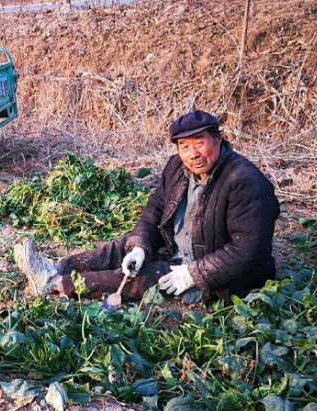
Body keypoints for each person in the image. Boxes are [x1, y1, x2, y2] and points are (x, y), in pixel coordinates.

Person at [14, 110, 280, 305]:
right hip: (175, 248)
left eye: (200, 143)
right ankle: (55, 268)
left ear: (218, 139)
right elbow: (155, 208)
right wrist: (140, 246)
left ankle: (55, 285)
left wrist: (193, 274)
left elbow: (248, 251)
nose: (192, 154)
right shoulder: (177, 167)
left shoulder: (245, 182)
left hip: (214, 273)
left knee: (128, 279)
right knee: (121, 247)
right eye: (184, 147)